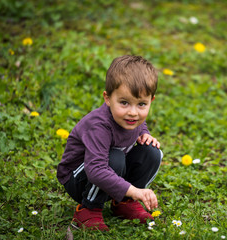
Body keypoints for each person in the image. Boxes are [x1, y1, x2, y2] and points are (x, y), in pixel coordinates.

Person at [57, 55, 163, 231]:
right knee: (113, 158)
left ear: (151, 100)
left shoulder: (131, 117)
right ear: (108, 98)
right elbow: (96, 170)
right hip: (79, 178)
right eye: (124, 103)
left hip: (111, 172)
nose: (133, 113)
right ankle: (88, 209)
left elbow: (140, 123)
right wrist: (134, 189)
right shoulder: (99, 126)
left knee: (152, 151)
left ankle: (124, 202)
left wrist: (145, 134)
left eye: (141, 104)